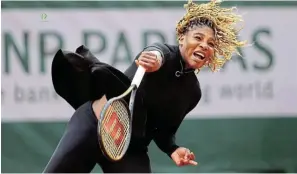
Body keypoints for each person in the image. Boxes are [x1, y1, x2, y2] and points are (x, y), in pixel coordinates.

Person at [43, 0, 246, 173]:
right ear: (182, 38)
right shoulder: (163, 52)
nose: (204, 45)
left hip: (129, 148)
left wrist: (173, 149)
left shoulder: (193, 92)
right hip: (95, 124)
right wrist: (154, 60)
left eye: (211, 44)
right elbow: (156, 53)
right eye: (198, 38)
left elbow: (163, 130)